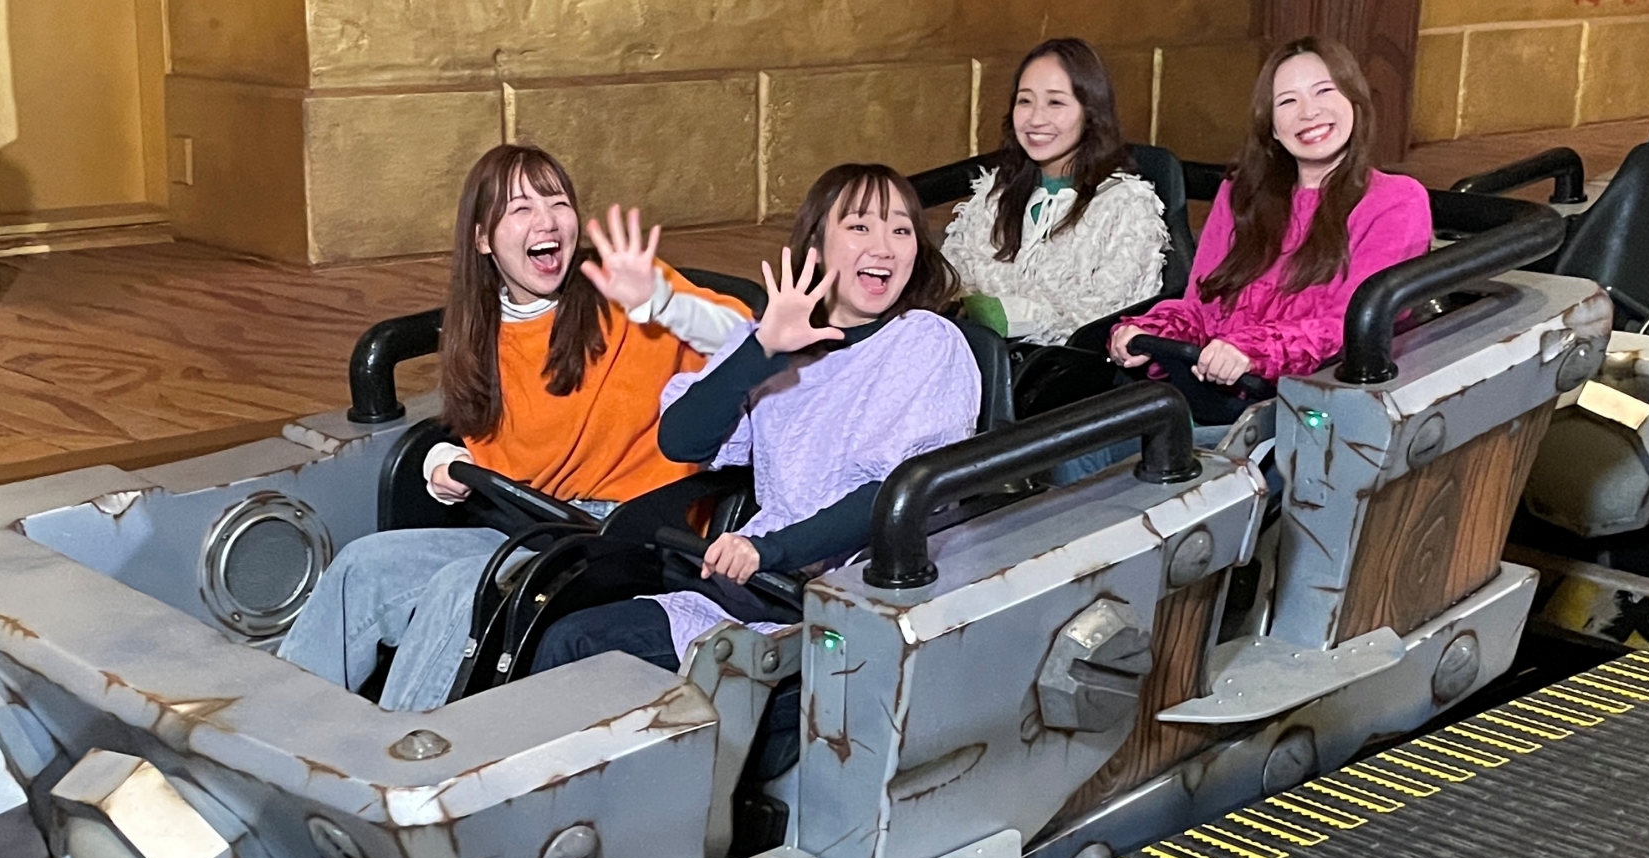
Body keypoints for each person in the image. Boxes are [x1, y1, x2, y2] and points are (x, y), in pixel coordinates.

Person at [277, 143, 751, 711]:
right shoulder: (482, 329)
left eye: (558, 203)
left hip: (624, 534)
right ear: (483, 238)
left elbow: (748, 336)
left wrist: (664, 302)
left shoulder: (628, 293)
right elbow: (508, 449)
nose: (546, 221)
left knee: (460, 589)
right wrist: (443, 462)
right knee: (363, 566)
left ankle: (402, 753)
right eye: (521, 209)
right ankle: (280, 731)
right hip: (529, 523)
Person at [531, 163, 981, 676]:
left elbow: (896, 495)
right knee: (569, 638)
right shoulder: (777, 339)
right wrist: (763, 347)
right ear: (816, 245)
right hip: (757, 589)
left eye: (901, 231)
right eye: (860, 226)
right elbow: (682, 440)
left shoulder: (926, 340)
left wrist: (768, 550)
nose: (884, 247)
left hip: (851, 600)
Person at [1054, 37, 1432, 482]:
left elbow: (1351, 326)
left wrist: (1251, 352)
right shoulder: (1242, 196)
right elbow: (1201, 305)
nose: (1308, 112)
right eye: (1288, 101)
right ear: (1271, 126)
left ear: (1355, 101)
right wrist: (1149, 331)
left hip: (1304, 415)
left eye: (1324, 91)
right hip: (1213, 395)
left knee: (1141, 477)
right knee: (1073, 452)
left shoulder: (1395, 201)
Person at [941, 37, 1167, 344]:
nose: (1035, 119)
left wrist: (1006, 315)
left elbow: (1107, 318)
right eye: (1025, 101)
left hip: (1066, 368)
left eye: (1055, 103)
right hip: (977, 355)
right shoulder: (995, 191)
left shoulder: (1126, 204)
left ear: (1090, 112)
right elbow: (952, 279)